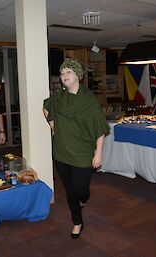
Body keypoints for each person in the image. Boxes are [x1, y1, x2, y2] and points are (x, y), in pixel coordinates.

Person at [43, 59, 110, 239]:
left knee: (81, 190)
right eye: (62, 73)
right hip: (61, 152)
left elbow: (99, 128)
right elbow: (46, 107)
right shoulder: (58, 99)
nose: (64, 76)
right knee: (70, 190)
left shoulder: (89, 100)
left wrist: (98, 153)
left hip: (82, 153)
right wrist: (53, 126)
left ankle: (83, 200)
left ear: (78, 75)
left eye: (68, 72)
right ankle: (77, 222)